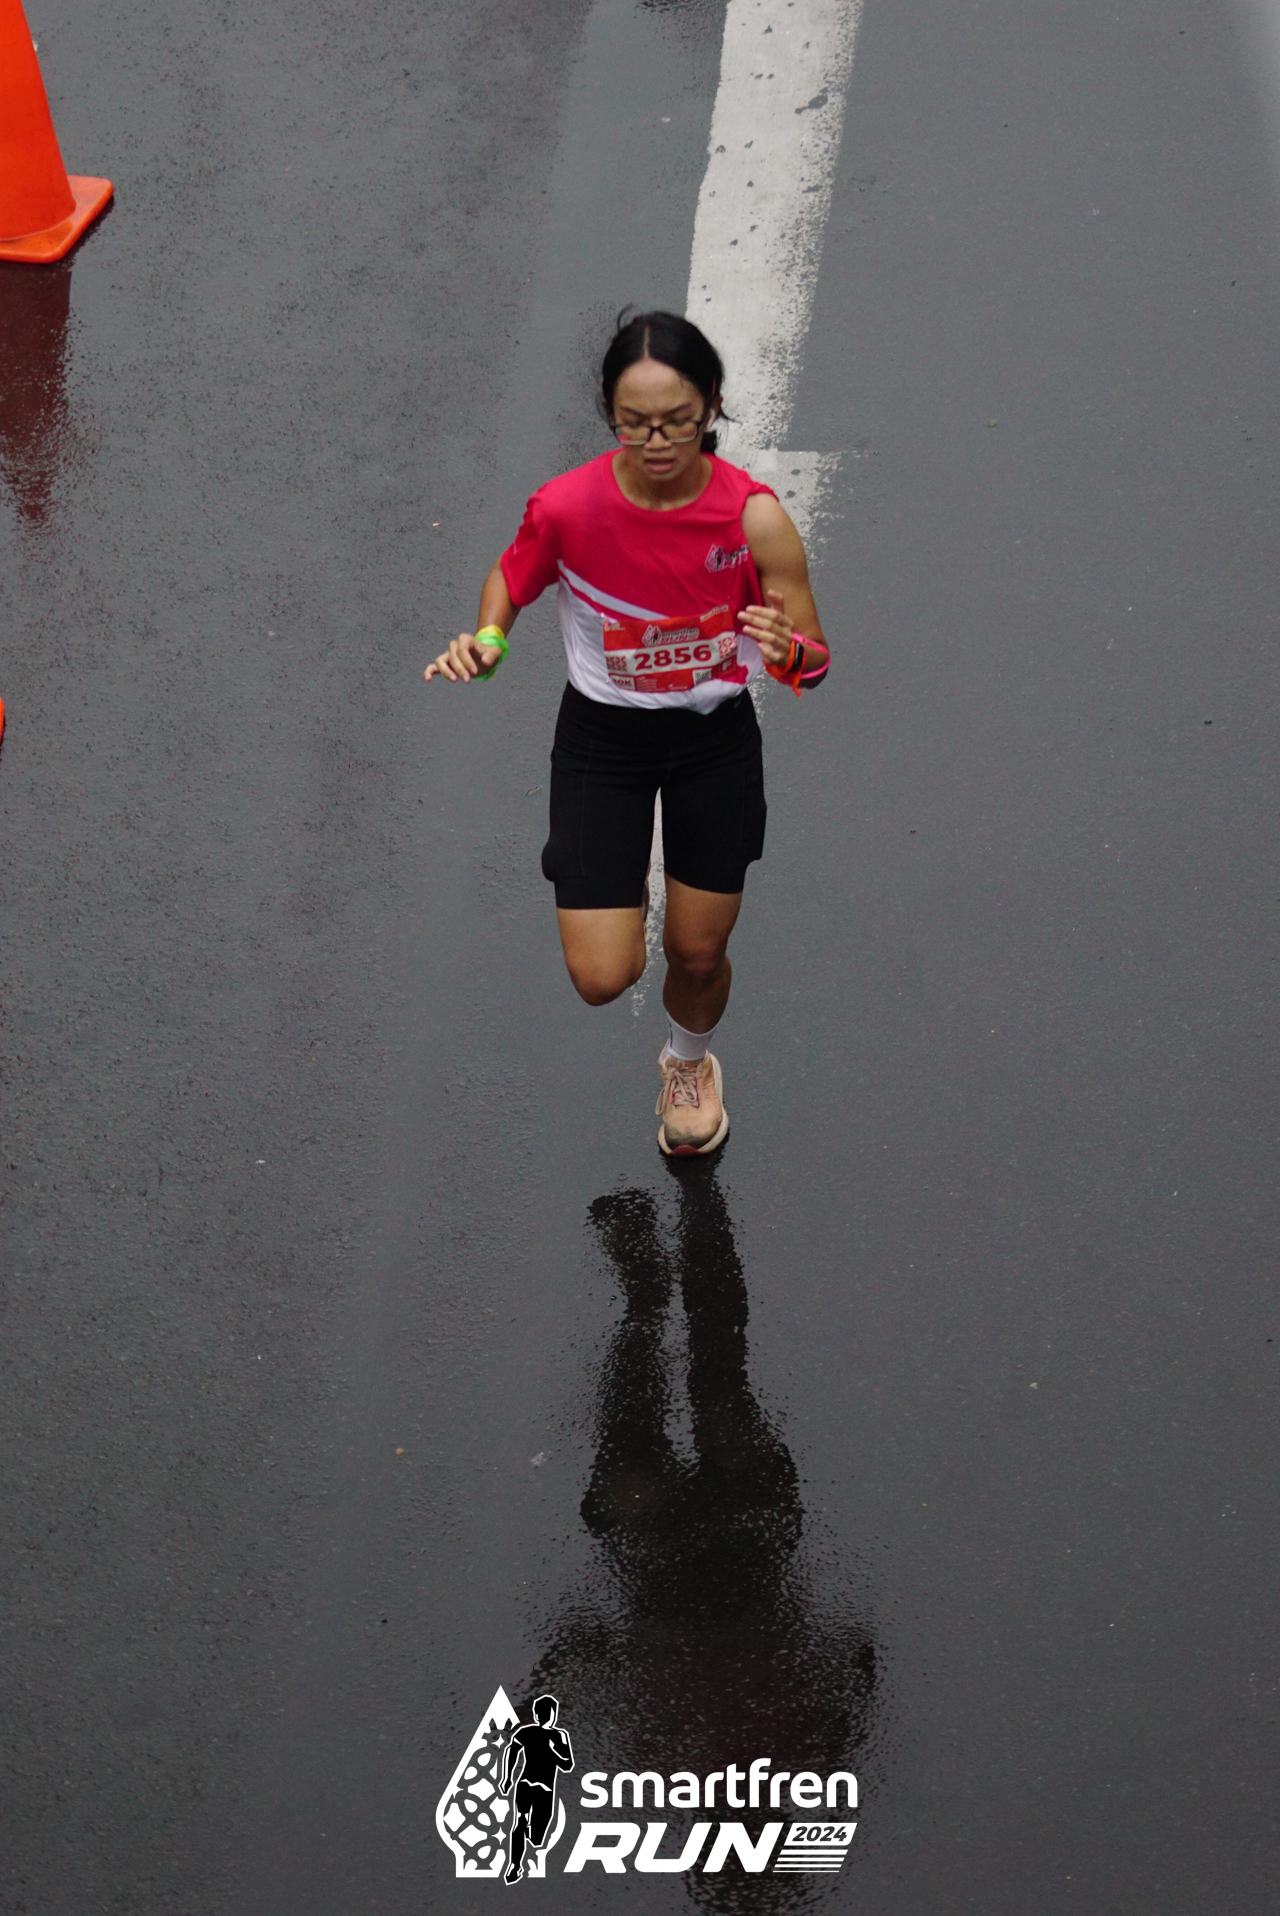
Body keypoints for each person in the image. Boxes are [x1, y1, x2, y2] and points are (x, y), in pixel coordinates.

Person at [425, 310, 830, 1154]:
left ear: (710, 405)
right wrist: (489, 641)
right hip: (602, 744)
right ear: (609, 412)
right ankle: (623, 882)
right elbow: (512, 574)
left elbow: (813, 660)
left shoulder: (752, 519)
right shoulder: (569, 507)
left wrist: (786, 651)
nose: (656, 441)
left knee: (697, 954)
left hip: (713, 742)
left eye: (677, 421)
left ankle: (689, 1061)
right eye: (634, 422)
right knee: (603, 976)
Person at [499, 1694, 574, 1884]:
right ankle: (515, 1865)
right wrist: (507, 1777)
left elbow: (567, 1765)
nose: (546, 1716)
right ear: (537, 1714)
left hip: (543, 1789)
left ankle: (527, 1836)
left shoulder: (559, 1735)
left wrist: (552, 1751)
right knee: (520, 1821)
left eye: (548, 1712)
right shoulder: (527, 1732)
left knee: (536, 1837)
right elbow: (511, 1751)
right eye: (542, 1712)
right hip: (528, 1784)